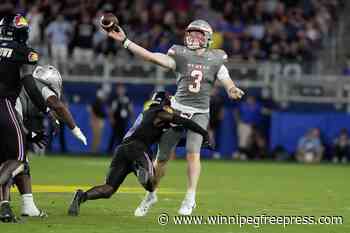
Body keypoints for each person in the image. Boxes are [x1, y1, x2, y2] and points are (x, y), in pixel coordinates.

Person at [103, 18, 244, 216]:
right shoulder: (181, 54)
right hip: (176, 110)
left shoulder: (216, 57)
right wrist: (126, 41)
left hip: (200, 113)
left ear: (208, 38)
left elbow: (225, 77)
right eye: (191, 33)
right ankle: (151, 194)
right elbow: (153, 57)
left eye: (198, 34)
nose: (193, 37)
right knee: (161, 158)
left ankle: (190, 197)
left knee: (193, 153)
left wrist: (231, 88)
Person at [67, 91, 212, 216]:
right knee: (151, 184)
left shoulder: (150, 116)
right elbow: (184, 121)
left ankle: (82, 196)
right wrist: (204, 133)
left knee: (108, 189)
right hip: (138, 150)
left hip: (122, 150)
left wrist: (196, 142)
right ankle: (141, 171)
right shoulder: (160, 112)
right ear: (166, 103)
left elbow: (167, 142)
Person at [14, 64, 87, 217]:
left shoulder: (26, 88)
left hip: (9, 119)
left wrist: (32, 133)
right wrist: (75, 129)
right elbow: (58, 106)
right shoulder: (41, 87)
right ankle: (19, 206)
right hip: (8, 120)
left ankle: (24, 206)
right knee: (15, 163)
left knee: (19, 162)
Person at [0, 14, 48, 223]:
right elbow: (31, 69)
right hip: (3, 104)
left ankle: (4, 208)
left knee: (3, 159)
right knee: (18, 158)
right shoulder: (21, 50)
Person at [108, 84, 133, 152]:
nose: (121, 91)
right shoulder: (114, 98)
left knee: (123, 135)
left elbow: (130, 108)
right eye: (119, 89)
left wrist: (131, 117)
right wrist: (112, 118)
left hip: (124, 119)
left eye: (122, 89)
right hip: (117, 119)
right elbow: (111, 110)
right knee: (114, 135)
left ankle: (121, 150)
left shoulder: (127, 98)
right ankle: (109, 150)